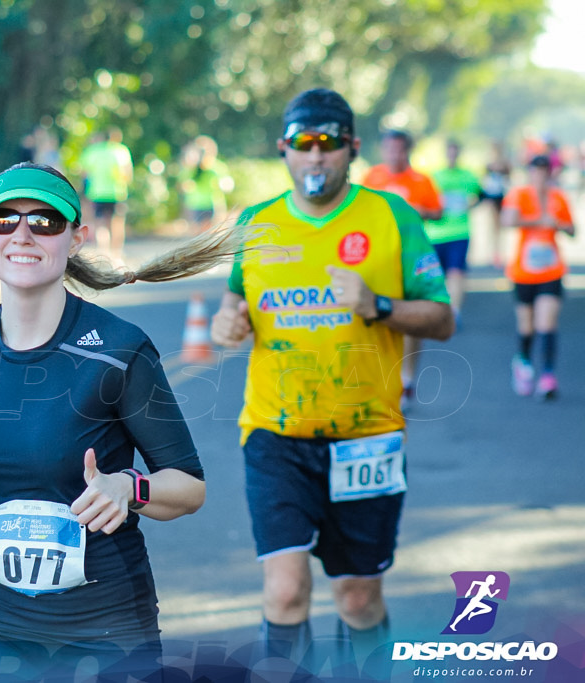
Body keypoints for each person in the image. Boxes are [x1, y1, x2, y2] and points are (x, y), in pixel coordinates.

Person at [0, 162, 244, 680]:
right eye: (2, 220)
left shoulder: (120, 349)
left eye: (45, 222)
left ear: (76, 238)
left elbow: (189, 487)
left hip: (106, 633)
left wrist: (130, 488)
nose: (22, 234)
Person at [210, 88, 453, 672]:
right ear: (283, 150)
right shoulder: (256, 224)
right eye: (301, 145)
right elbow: (233, 307)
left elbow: (442, 318)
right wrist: (228, 323)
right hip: (276, 432)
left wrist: (380, 305)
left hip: (367, 435)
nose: (314, 158)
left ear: (352, 147)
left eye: (327, 145)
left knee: (359, 598)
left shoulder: (391, 217)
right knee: (286, 590)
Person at [362, 129, 444, 408]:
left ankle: (406, 380)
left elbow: (439, 212)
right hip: (376, 256)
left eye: (400, 149)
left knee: (411, 321)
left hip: (410, 257)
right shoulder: (372, 178)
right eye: (389, 149)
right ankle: (377, 378)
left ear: (408, 151)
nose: (395, 155)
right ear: (382, 151)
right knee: (374, 313)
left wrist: (419, 210)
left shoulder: (422, 181)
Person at [501, 154, 576, 400]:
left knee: (547, 324)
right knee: (527, 326)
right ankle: (522, 361)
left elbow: (572, 229)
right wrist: (537, 221)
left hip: (551, 271)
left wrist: (559, 226)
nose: (541, 176)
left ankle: (547, 375)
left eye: (545, 171)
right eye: (537, 171)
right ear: (530, 172)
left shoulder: (558, 197)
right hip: (523, 272)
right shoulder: (519, 194)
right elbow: (508, 220)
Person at [428, 139, 482, 328]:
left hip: (459, 232)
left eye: (455, 151)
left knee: (456, 273)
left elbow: (480, 196)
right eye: (449, 152)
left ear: (459, 153)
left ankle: (454, 313)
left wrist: (471, 204)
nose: (452, 155)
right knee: (437, 276)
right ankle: (438, 312)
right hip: (435, 233)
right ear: (445, 153)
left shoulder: (468, 176)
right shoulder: (435, 177)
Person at [79, 127, 133, 259]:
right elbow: (128, 173)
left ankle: (103, 251)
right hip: (117, 192)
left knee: (99, 223)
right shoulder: (121, 151)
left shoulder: (92, 151)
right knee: (117, 222)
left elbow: (84, 173)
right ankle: (116, 252)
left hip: (97, 192)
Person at [177, 135, 235, 234]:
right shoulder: (191, 168)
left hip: (210, 204)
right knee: (196, 234)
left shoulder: (216, 167)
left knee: (208, 233)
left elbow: (226, 183)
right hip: (194, 205)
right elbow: (182, 185)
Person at [481, 139, 512, 268]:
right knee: (492, 227)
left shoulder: (505, 165)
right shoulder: (489, 165)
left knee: (500, 227)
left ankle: (500, 253)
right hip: (492, 196)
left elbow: (508, 180)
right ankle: (492, 253)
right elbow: (485, 181)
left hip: (501, 197)